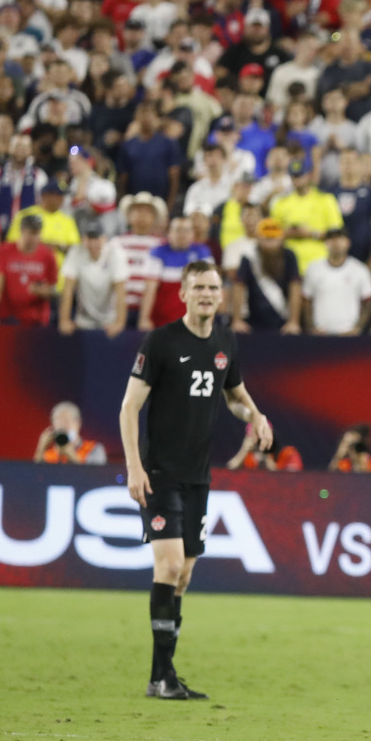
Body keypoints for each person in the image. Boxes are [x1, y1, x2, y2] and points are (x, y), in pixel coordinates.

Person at [119, 261, 274, 701]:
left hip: (197, 478)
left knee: (183, 575)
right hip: (159, 475)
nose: (206, 294)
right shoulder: (162, 342)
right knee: (167, 566)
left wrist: (257, 416)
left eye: (213, 287)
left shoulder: (226, 342)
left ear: (221, 295)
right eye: (198, 288)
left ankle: (164, 674)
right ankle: (160, 676)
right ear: (183, 294)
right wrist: (134, 467)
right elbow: (130, 407)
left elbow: (235, 396)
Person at [302, 228, 371, 336]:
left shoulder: (359, 269)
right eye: (331, 239)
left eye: (340, 238)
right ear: (325, 243)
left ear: (348, 243)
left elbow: (369, 300)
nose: (336, 242)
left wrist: (359, 327)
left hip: (349, 334)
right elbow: (306, 301)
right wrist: (311, 327)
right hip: (321, 334)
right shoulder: (314, 268)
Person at [33, 402, 107, 465]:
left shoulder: (94, 449)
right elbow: (35, 477)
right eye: (58, 422)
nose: (62, 426)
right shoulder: (48, 455)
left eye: (66, 421)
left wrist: (71, 455)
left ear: (78, 423)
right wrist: (41, 449)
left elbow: (94, 477)